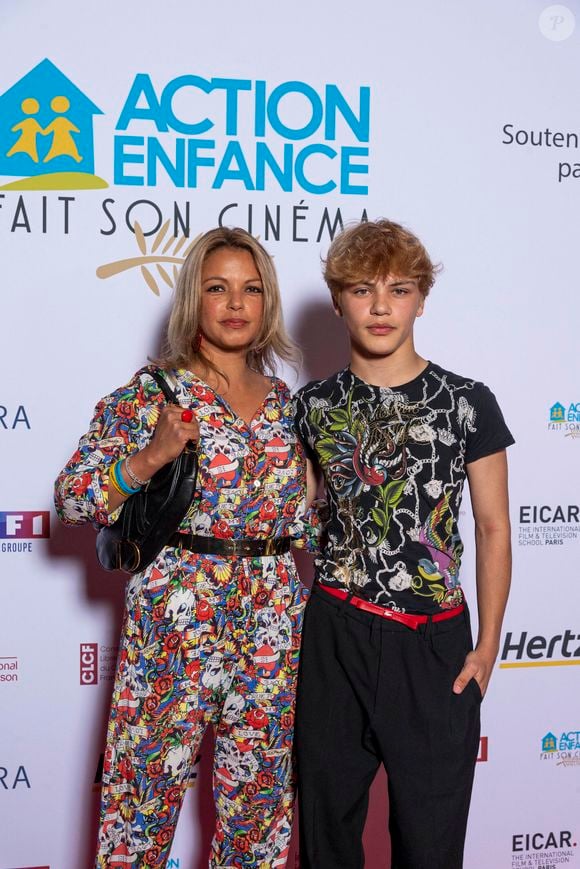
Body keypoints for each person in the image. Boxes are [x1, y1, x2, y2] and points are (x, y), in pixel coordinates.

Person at [55, 227, 318, 869]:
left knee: (259, 818)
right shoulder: (151, 395)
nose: (236, 303)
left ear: (268, 303)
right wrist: (150, 456)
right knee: (140, 809)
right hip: (177, 621)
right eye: (218, 288)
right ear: (192, 301)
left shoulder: (289, 405)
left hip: (274, 626)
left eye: (251, 289)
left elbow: (305, 519)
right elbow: (71, 498)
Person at [294, 219, 514, 869]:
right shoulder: (312, 405)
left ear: (422, 297)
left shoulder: (469, 403)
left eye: (399, 288)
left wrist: (489, 641)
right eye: (363, 289)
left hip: (433, 644)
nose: (382, 305)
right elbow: (301, 515)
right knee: (326, 838)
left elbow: (494, 525)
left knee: (430, 844)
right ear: (337, 300)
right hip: (336, 634)